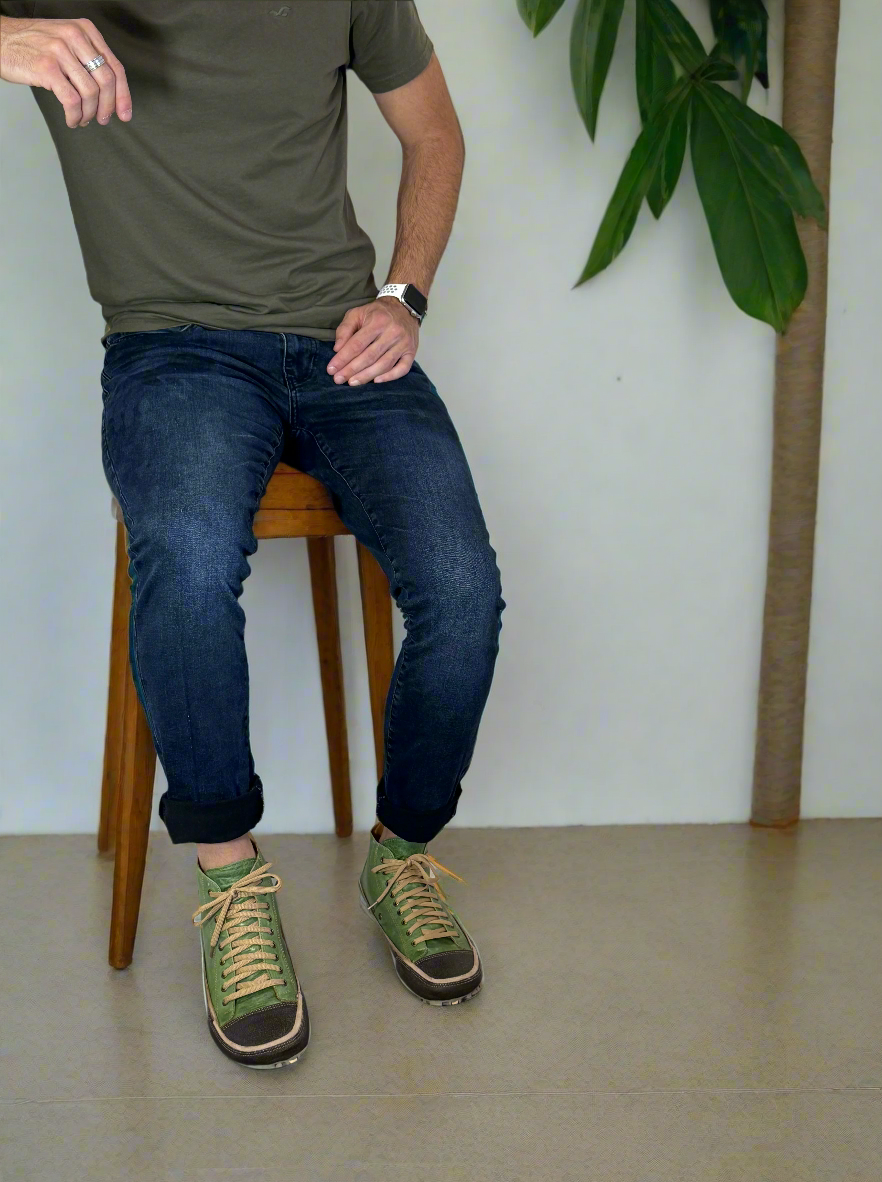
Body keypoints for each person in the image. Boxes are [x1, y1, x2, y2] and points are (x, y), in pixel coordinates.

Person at [0, 1, 505, 1069]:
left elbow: (433, 133)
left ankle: (401, 854)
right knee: (182, 564)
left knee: (462, 593)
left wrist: (404, 295)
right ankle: (231, 882)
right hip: (172, 349)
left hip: (342, 342)